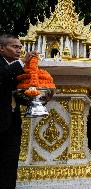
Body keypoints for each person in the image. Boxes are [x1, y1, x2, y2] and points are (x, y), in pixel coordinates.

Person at [0, 34, 38, 188]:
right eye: (14, 47)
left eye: (20, 47)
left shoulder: (14, 69)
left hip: (12, 125)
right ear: (2, 48)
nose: (19, 50)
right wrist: (22, 62)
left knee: (9, 167)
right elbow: (3, 76)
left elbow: (17, 95)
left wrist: (38, 98)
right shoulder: (11, 67)